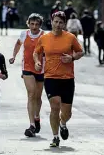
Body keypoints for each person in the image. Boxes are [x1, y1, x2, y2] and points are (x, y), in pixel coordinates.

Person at [33, 11, 84, 147]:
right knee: (55, 106)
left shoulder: (70, 37)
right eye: (55, 21)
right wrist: (37, 62)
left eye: (61, 22)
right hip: (50, 77)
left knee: (66, 113)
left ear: (64, 23)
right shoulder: (44, 38)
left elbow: (80, 52)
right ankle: (55, 137)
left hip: (67, 78)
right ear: (51, 21)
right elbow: (36, 53)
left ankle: (63, 123)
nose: (58, 24)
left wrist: (72, 57)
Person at [9, 13, 45, 137]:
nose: (34, 26)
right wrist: (13, 56)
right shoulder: (24, 34)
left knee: (38, 97)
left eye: (36, 24)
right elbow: (18, 44)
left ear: (40, 25)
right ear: (28, 24)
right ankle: (31, 125)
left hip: (41, 68)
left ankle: (37, 116)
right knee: (31, 94)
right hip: (27, 68)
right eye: (32, 24)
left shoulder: (44, 35)